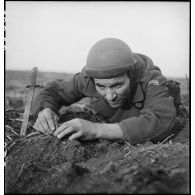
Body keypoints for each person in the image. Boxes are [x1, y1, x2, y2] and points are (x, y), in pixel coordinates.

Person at [32, 38, 176, 145]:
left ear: (131, 76)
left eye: (117, 85)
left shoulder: (152, 81)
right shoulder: (87, 78)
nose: (110, 96)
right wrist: (45, 110)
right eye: (101, 87)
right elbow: (53, 90)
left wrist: (96, 129)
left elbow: (160, 121)